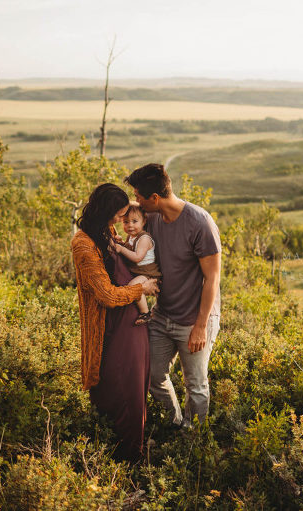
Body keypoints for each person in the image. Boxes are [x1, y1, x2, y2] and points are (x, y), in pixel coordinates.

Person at [125, 163, 221, 428]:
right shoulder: (151, 218)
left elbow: (212, 278)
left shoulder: (200, 223)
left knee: (196, 385)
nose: (137, 201)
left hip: (194, 319)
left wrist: (201, 326)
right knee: (153, 375)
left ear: (154, 198)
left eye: (139, 196)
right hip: (163, 315)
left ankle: (194, 441)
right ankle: (178, 427)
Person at [71, 183, 159, 462]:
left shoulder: (106, 231)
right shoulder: (83, 243)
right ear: (105, 211)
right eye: (118, 215)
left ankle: (132, 457)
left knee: (134, 393)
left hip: (132, 325)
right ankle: (111, 459)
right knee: (113, 390)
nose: (121, 221)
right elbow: (106, 295)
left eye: (124, 216)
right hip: (111, 328)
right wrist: (141, 289)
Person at [112, 203, 162, 326]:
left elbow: (137, 257)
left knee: (133, 286)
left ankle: (145, 313)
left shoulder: (144, 238)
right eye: (126, 222)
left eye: (135, 221)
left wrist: (121, 249)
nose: (130, 225)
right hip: (139, 271)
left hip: (147, 273)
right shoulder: (131, 237)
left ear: (144, 221)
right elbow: (131, 249)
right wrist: (122, 243)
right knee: (133, 286)